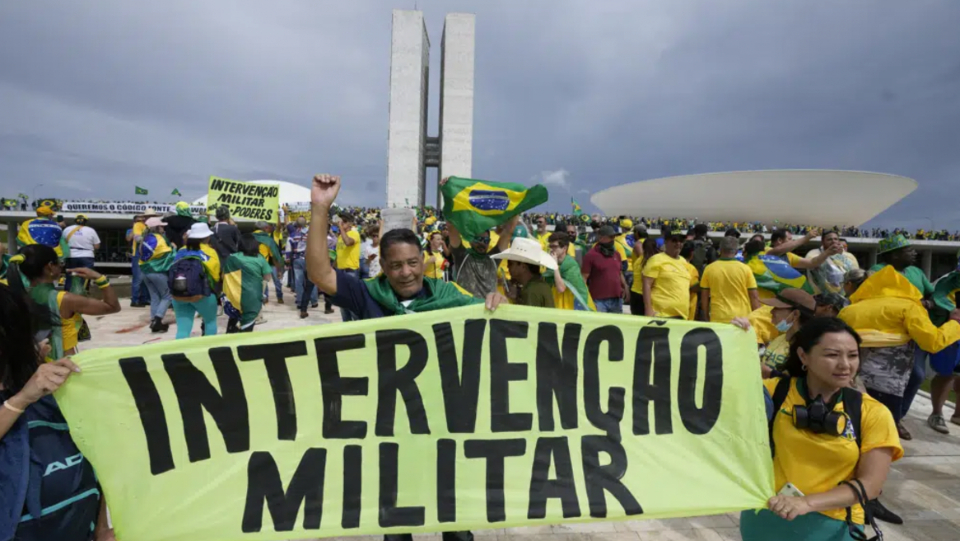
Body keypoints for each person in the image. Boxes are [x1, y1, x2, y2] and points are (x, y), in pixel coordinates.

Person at [741, 317, 902, 541]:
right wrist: (734, 340)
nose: (845, 365)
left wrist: (806, 503)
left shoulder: (872, 413)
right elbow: (716, 390)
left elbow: (871, 485)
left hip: (835, 527)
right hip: (766, 516)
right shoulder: (773, 392)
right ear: (803, 356)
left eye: (853, 355)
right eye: (832, 355)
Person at [0, 284, 116, 541]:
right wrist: (20, 401)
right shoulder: (27, 394)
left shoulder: (50, 392)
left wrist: (101, 527)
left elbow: (100, 458)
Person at [840, 265, 960, 441]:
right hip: (887, 385)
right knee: (879, 437)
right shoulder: (908, 307)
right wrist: (955, 324)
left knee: (850, 431)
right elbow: (932, 342)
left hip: (848, 380)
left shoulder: (849, 310)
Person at [7, 245, 121, 358]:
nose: (61, 267)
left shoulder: (17, 296)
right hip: (62, 365)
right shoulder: (64, 299)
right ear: (50, 266)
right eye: (59, 262)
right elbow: (112, 306)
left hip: (35, 363)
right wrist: (100, 278)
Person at [170, 223, 220, 340]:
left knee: (182, 329)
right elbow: (215, 276)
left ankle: (180, 353)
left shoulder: (181, 251)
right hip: (203, 294)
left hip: (179, 293)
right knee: (210, 322)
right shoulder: (210, 252)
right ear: (207, 237)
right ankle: (208, 350)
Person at [699, 236, 760, 323]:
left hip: (718, 316)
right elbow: (754, 296)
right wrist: (757, 318)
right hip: (742, 319)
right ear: (736, 251)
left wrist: (705, 316)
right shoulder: (745, 269)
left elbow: (704, 296)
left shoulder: (709, 268)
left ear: (720, 250)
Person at [223, 234, 273, 333]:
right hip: (252, 298)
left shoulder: (232, 258)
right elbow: (267, 277)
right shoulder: (260, 258)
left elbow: (224, 276)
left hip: (234, 296)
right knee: (247, 327)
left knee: (233, 322)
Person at [492, 237, 557, 308]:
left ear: (523, 267)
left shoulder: (531, 291)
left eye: (510, 263)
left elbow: (527, 318)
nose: (507, 266)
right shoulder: (539, 285)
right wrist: (517, 296)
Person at [642, 231, 692, 319]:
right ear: (666, 241)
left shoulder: (683, 261)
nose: (678, 243)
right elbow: (647, 284)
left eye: (681, 241)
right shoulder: (656, 259)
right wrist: (648, 309)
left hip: (682, 315)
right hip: (662, 315)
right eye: (674, 240)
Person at [582, 225, 629, 313]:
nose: (613, 239)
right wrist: (585, 298)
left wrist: (625, 286)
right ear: (600, 238)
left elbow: (619, 273)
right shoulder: (590, 256)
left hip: (616, 299)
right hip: (598, 301)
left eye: (614, 237)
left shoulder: (616, 254)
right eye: (611, 237)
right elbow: (584, 278)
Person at [139, 217, 174, 333]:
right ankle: (158, 320)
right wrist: (174, 248)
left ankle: (154, 321)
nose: (163, 228)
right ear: (157, 228)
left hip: (145, 272)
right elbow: (169, 256)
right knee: (167, 295)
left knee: (154, 297)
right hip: (157, 272)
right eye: (161, 226)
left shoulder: (145, 238)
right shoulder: (159, 239)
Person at [805, 231, 859, 296]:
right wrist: (828, 253)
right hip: (821, 297)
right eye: (829, 239)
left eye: (836, 239)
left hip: (846, 297)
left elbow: (856, 276)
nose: (833, 241)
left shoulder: (849, 256)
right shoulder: (813, 254)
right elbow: (815, 267)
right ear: (822, 242)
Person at [62, 214, 100, 292]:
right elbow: (97, 246)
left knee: (70, 276)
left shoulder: (67, 229)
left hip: (71, 255)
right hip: (87, 256)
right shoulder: (91, 230)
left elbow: (62, 243)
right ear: (86, 221)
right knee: (85, 276)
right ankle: (83, 294)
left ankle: (68, 295)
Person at [335, 213, 362, 321]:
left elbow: (348, 243)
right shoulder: (340, 236)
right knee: (342, 302)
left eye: (344, 222)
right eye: (341, 221)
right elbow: (339, 254)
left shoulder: (354, 233)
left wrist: (341, 228)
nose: (341, 224)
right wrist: (333, 268)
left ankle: (356, 325)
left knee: (352, 301)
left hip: (350, 271)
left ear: (350, 223)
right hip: (340, 271)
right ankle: (346, 325)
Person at [254, 222, 286, 306]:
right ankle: (279, 297)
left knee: (263, 281)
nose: (272, 228)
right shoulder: (268, 239)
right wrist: (279, 269)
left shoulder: (251, 237)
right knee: (276, 280)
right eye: (270, 226)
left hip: (255, 263)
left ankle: (265, 297)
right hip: (268, 263)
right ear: (265, 228)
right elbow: (274, 255)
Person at [126, 212, 152, 307]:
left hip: (145, 254)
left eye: (142, 218)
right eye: (138, 218)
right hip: (137, 253)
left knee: (145, 278)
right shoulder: (134, 228)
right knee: (138, 278)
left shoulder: (147, 227)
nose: (141, 219)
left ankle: (144, 299)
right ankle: (135, 299)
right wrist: (135, 228)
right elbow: (129, 239)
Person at [679, 241, 701, 321]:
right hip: (688, 305)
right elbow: (693, 288)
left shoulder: (674, 264)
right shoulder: (692, 269)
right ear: (692, 254)